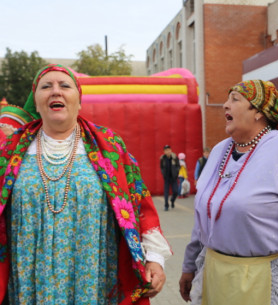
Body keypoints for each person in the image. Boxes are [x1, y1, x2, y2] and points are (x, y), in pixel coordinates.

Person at [0, 64, 172, 304]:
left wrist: (154, 259)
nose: (55, 91)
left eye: (65, 85)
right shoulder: (9, 152)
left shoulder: (110, 147)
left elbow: (140, 205)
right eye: (46, 86)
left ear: (79, 101)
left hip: (94, 281)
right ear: (37, 102)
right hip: (30, 283)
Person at [179, 80, 278, 305]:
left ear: (258, 111)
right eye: (227, 99)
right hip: (213, 275)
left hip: (261, 279)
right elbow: (203, 217)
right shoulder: (219, 151)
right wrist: (189, 266)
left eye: (234, 100)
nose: (225, 105)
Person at [160, 144, 180, 211]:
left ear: (171, 150)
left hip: (174, 178)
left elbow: (178, 166)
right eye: (166, 150)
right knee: (166, 192)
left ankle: (172, 200)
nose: (168, 151)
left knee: (176, 191)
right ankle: (166, 205)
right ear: (164, 152)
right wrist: (163, 174)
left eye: (169, 150)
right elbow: (161, 167)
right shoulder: (162, 158)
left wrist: (176, 173)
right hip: (167, 178)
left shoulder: (174, 157)